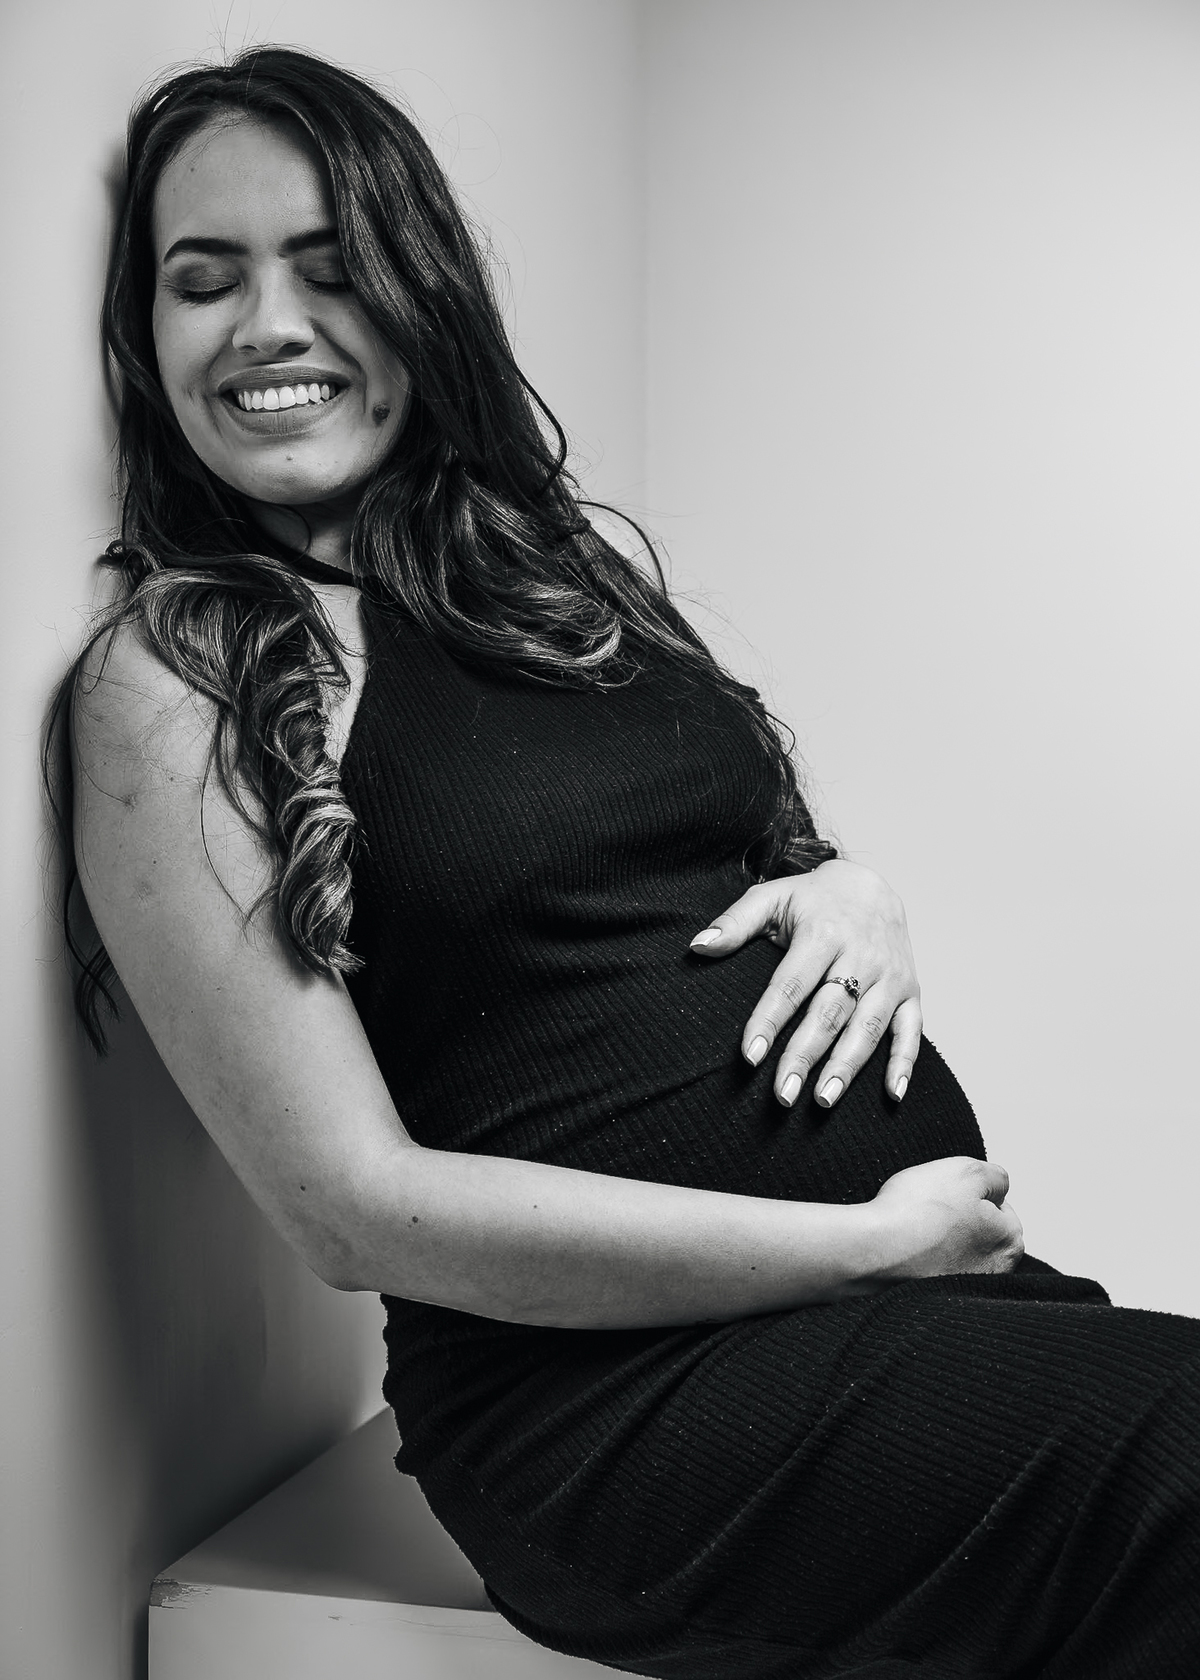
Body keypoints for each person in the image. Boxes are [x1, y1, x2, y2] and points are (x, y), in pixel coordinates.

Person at [49, 46, 1200, 1679]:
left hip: (905, 1317)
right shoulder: (181, 678)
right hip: (620, 1411)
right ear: (143, 333)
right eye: (203, 278)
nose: (268, 326)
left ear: (418, 292)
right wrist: (862, 1246)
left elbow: (710, 852)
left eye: (329, 265)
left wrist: (849, 884)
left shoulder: (548, 576)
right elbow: (350, 1209)